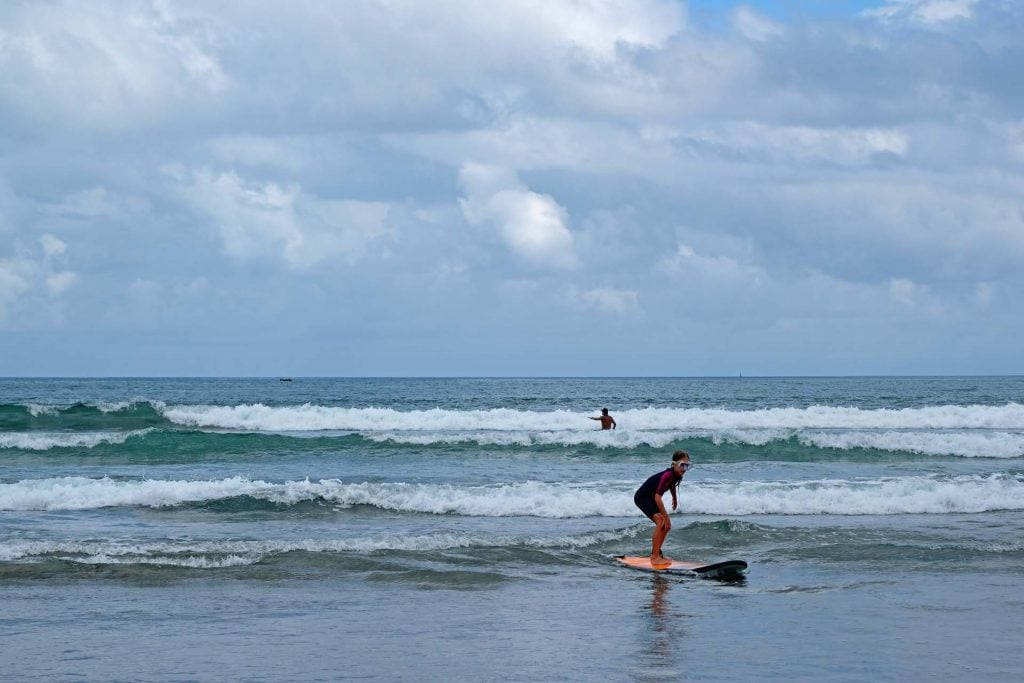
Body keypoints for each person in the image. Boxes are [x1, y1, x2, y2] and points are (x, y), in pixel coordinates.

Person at [633, 450, 692, 567]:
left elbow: (671, 485)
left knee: (665, 525)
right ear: (674, 464)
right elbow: (657, 498)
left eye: (687, 465)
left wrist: (674, 498)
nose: (684, 468)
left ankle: (657, 553)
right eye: (682, 465)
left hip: (650, 498)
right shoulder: (667, 475)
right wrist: (666, 516)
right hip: (642, 497)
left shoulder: (677, 475)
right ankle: (654, 557)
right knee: (662, 522)